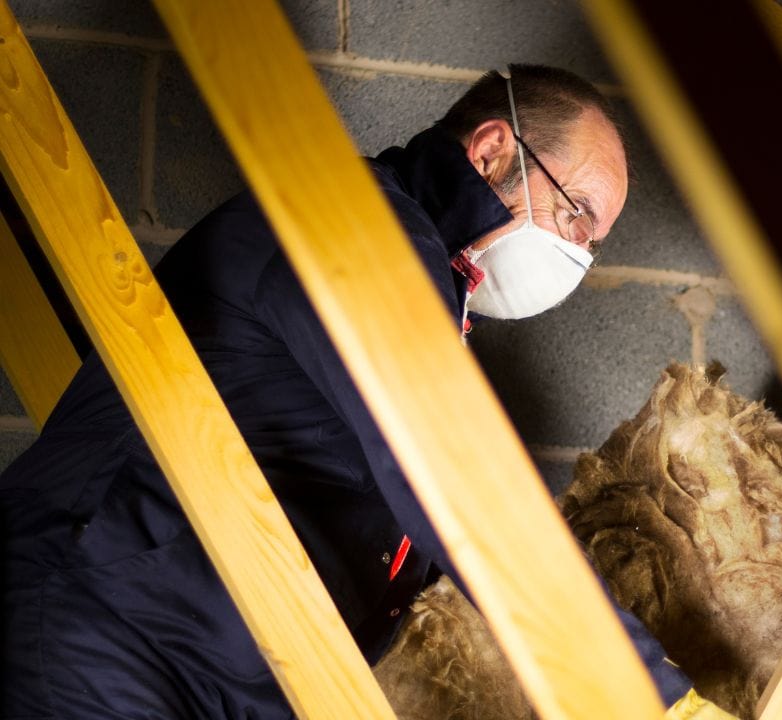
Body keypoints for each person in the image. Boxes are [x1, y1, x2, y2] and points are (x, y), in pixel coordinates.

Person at [0, 64, 729, 719]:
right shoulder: (354, 223)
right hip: (103, 626)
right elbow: (454, 478)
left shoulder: (428, 294)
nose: (576, 254)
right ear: (491, 151)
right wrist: (647, 693)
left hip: (184, 665)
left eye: (593, 246)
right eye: (577, 215)